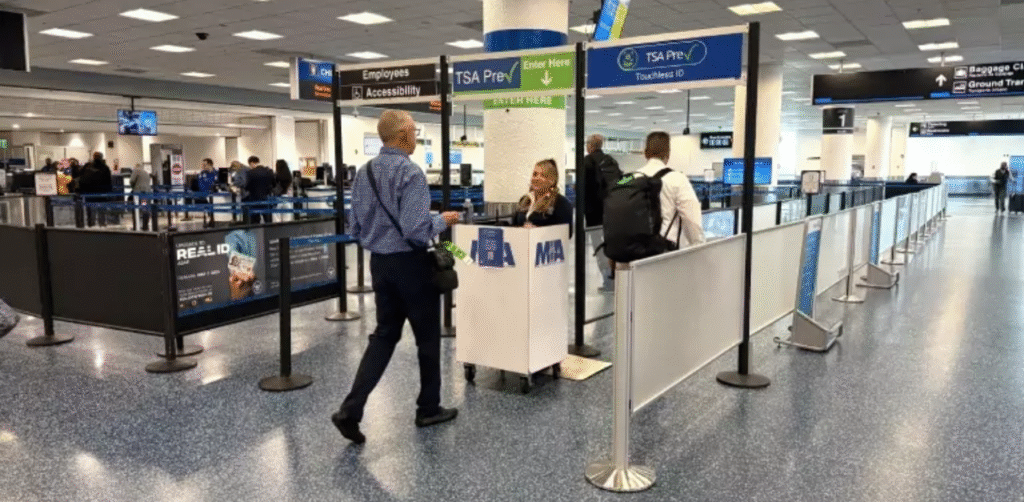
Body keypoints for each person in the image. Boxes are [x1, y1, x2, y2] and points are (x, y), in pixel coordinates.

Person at [332, 109, 462, 445]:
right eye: (414, 131)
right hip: (412, 267)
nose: (416, 136)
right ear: (403, 134)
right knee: (427, 339)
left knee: (384, 336)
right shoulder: (411, 173)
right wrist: (443, 220)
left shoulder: (365, 173)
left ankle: (351, 409)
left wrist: (380, 241)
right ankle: (428, 407)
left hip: (380, 265)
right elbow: (416, 231)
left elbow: (355, 227)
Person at [636, 131, 705, 248]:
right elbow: (692, 220)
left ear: (645, 153)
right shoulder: (678, 179)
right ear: (668, 154)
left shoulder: (631, 177)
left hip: (634, 248)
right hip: (664, 249)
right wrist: (698, 246)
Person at [582, 134, 620, 291]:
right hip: (613, 209)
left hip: (593, 213)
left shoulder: (586, 162)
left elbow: (583, 187)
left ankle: (607, 280)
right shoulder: (611, 161)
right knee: (613, 243)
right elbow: (622, 181)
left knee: (598, 246)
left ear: (590, 146)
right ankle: (617, 277)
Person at [512, 159, 573, 237]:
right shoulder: (524, 200)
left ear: (552, 181)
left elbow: (566, 233)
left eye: (543, 175)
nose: (537, 178)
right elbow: (514, 225)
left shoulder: (561, 203)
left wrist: (537, 231)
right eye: (535, 174)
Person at [242, 156, 275, 224]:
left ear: (251, 163)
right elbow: (273, 184)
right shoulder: (268, 171)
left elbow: (247, 187)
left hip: (254, 200)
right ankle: (270, 233)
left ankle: (256, 233)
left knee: (255, 221)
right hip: (266, 199)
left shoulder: (250, 173)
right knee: (268, 220)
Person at [130, 164, 153, 231]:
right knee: (145, 208)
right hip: (147, 192)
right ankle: (145, 225)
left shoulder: (136, 171)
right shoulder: (146, 172)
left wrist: (133, 187)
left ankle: (140, 226)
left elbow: (131, 181)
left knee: (141, 209)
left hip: (141, 192)